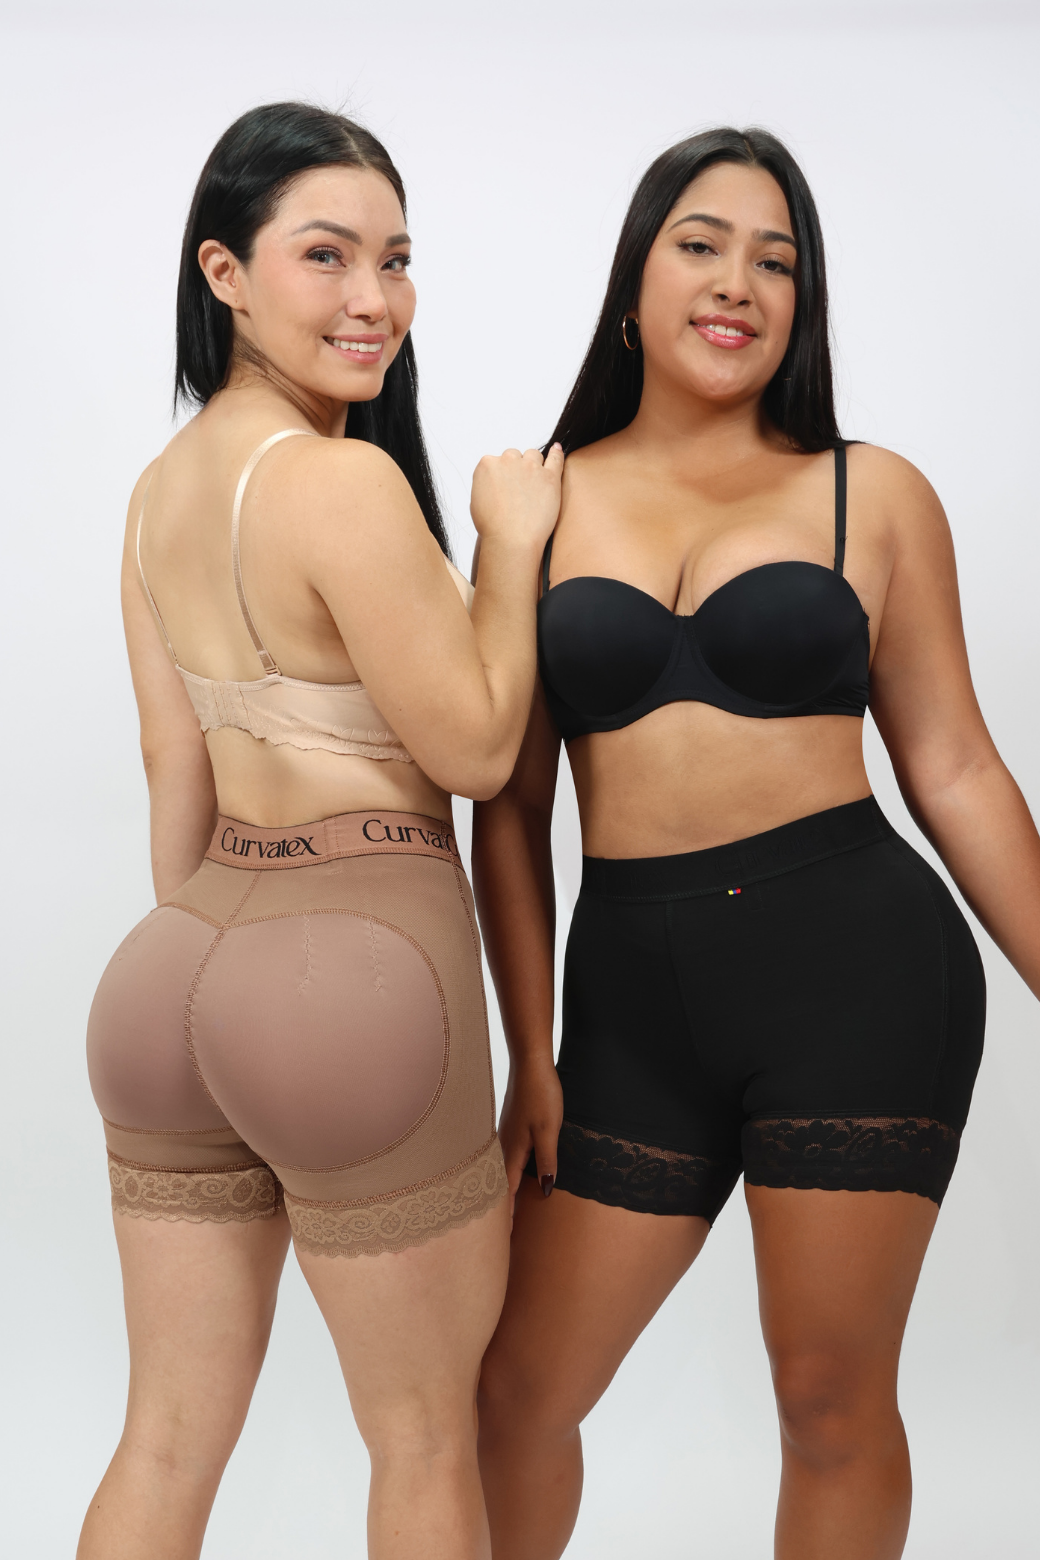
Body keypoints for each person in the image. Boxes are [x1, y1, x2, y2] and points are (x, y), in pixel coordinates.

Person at [472, 126, 1040, 1560]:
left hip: (858, 976)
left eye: (776, 262)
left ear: (803, 303)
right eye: (702, 245)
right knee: (514, 1395)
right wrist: (530, 1052)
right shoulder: (537, 502)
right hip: (629, 1003)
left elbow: (957, 768)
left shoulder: (870, 491)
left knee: (828, 1400)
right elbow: (511, 803)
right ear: (635, 281)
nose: (739, 282)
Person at [80, 101, 562, 1560]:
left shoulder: (154, 498)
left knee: (165, 1436)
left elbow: (174, 775)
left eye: (397, 260)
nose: (375, 300)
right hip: (357, 975)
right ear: (224, 273)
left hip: (173, 972)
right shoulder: (340, 483)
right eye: (327, 255)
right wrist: (512, 546)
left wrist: (225, 992)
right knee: (423, 1442)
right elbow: (476, 748)